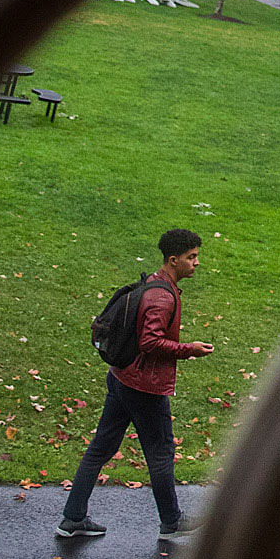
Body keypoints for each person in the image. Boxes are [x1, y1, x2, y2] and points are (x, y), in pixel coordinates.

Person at [59, 228, 215, 539]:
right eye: (191, 257)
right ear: (173, 260)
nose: (197, 263)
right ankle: (171, 522)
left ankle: (72, 518)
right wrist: (190, 350)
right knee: (160, 453)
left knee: (100, 449)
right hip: (144, 387)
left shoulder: (154, 284)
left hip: (122, 378)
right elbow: (150, 341)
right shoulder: (161, 296)